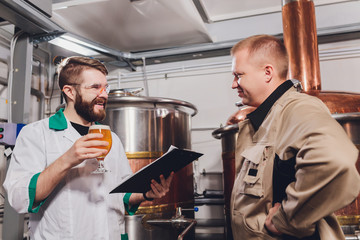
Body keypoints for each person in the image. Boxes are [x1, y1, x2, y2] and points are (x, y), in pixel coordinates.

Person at [3, 56, 174, 240]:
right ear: (69, 91)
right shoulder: (36, 134)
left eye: (105, 87)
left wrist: (144, 194)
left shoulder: (112, 139)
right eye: (95, 87)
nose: (104, 94)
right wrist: (67, 159)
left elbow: (120, 195)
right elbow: (19, 198)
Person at [230, 34, 360, 239]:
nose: (234, 84)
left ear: (267, 72)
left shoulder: (297, 108)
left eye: (239, 75)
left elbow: (336, 161)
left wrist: (286, 220)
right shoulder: (268, 117)